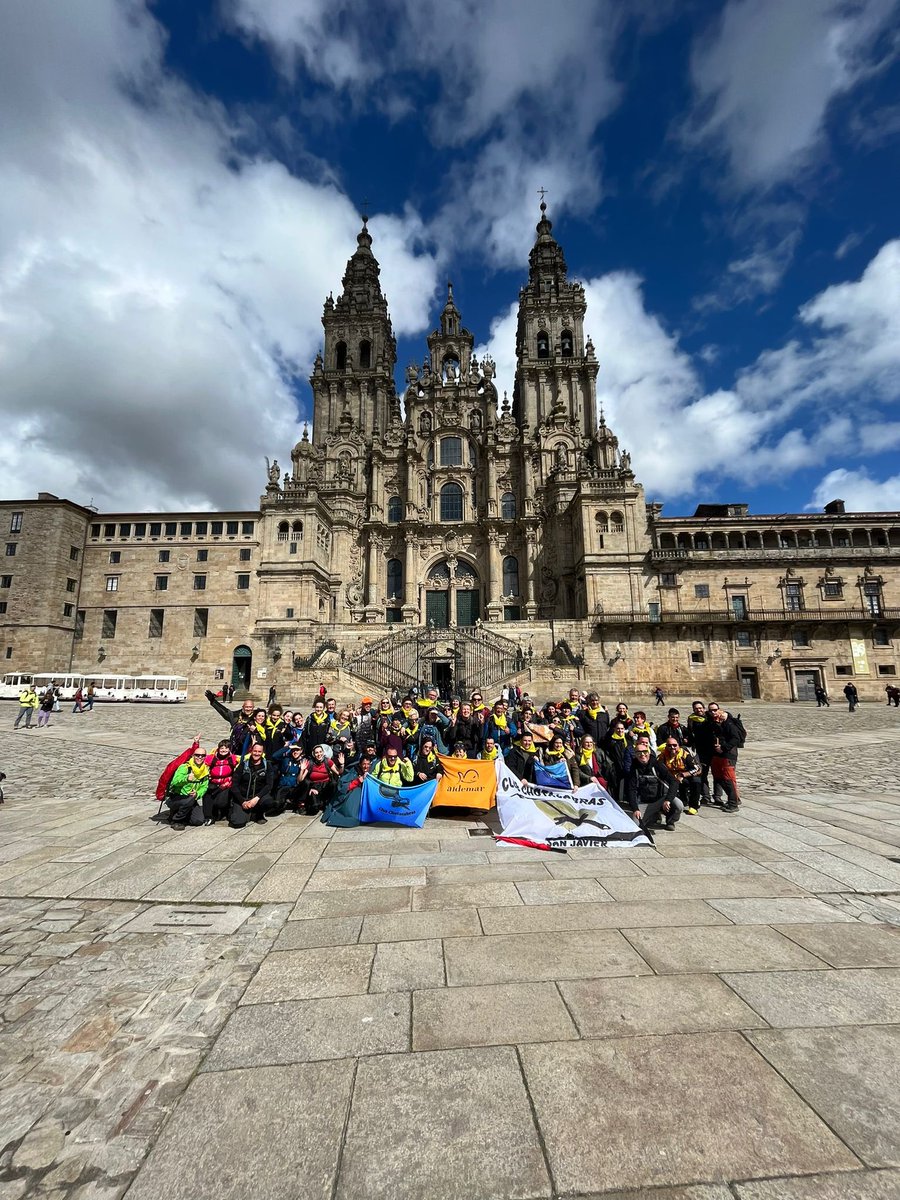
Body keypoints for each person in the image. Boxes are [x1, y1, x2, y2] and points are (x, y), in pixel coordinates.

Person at [623, 745, 681, 831]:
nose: (642, 754)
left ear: (649, 752)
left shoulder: (657, 764)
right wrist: (635, 809)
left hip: (660, 800)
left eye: (645, 752)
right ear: (635, 754)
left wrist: (668, 800)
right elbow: (631, 790)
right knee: (635, 825)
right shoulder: (633, 768)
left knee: (678, 805)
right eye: (639, 752)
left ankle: (670, 821)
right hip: (644, 803)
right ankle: (653, 815)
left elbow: (674, 781)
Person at [229, 743, 276, 827]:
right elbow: (234, 784)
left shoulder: (267, 765)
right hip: (243, 797)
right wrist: (242, 801)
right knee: (237, 823)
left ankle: (258, 814)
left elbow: (269, 785)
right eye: (255, 751)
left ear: (262, 753)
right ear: (251, 751)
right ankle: (244, 812)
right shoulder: (243, 764)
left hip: (258, 797)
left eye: (259, 751)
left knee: (269, 802)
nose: (257, 753)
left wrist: (256, 798)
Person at [166, 747, 210, 828]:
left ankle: (181, 814)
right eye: (197, 755)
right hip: (177, 797)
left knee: (198, 821)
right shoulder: (185, 767)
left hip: (192, 799)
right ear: (193, 755)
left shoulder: (205, 770)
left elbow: (204, 787)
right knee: (188, 800)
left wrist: (197, 793)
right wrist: (186, 778)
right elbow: (174, 782)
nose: (200, 757)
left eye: (203, 755)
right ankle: (177, 820)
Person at [710, 707, 744, 812]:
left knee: (728, 779)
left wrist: (723, 748)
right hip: (719, 755)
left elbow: (735, 739)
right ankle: (732, 800)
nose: (715, 718)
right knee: (720, 777)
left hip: (728, 755)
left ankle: (734, 804)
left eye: (717, 716)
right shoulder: (721, 724)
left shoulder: (729, 724)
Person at [658, 737, 702, 815]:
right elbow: (659, 767)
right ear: (666, 746)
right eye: (669, 745)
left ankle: (694, 806)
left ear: (678, 745)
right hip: (670, 777)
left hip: (684, 776)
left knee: (696, 781)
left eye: (674, 745)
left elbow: (696, 768)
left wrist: (683, 774)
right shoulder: (663, 756)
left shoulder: (685, 755)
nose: (672, 747)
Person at [203, 740, 238, 824]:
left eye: (226, 748)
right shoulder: (211, 758)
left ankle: (224, 812)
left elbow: (246, 758)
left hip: (226, 783)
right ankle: (208, 816)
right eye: (222, 748)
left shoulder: (232, 758)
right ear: (218, 749)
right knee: (207, 795)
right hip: (213, 782)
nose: (224, 750)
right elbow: (198, 759)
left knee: (221, 802)